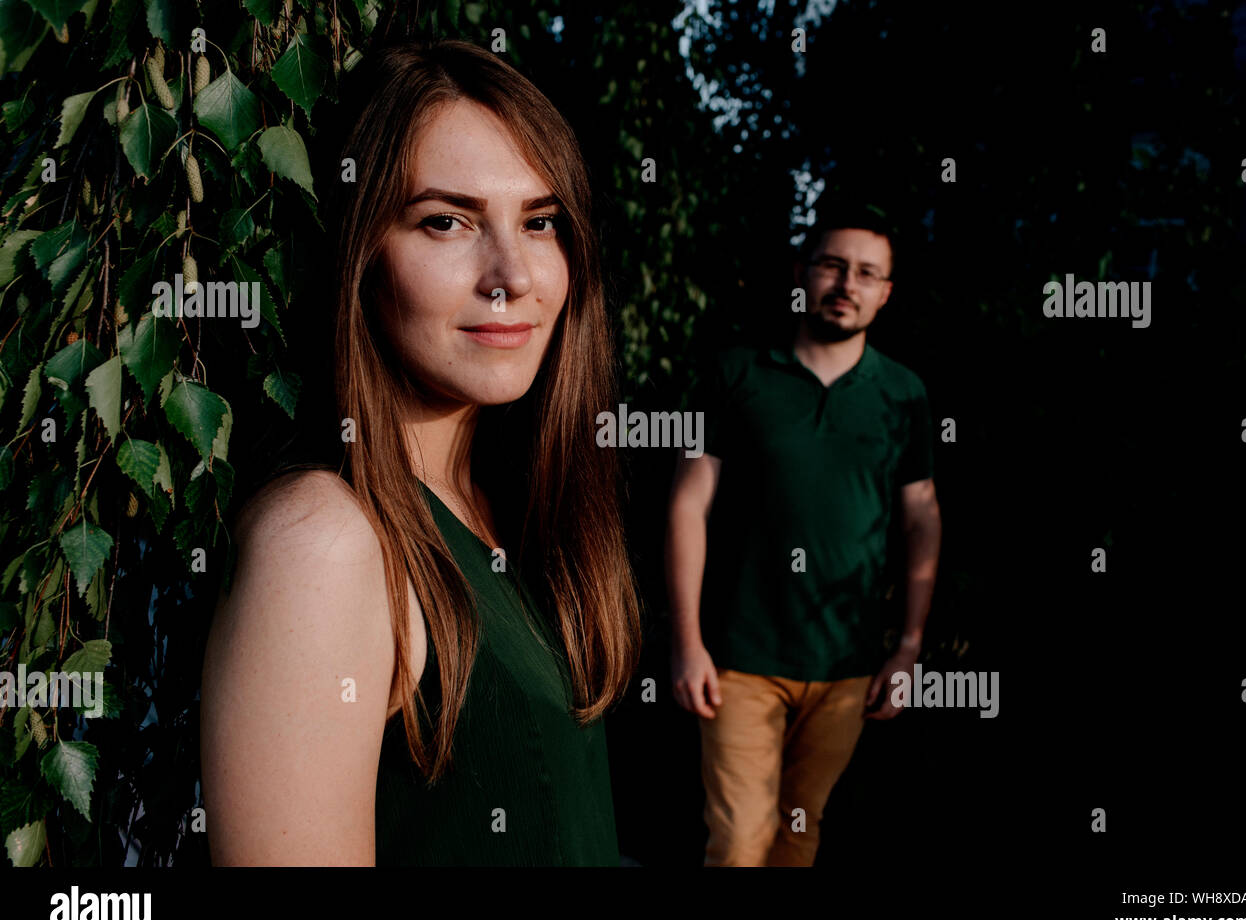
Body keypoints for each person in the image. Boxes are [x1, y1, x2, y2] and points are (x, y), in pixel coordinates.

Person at [200, 39, 640, 866]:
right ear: (361, 251)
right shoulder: (323, 542)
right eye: (446, 221)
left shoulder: (506, 508)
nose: (512, 274)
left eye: (540, 222)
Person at [665, 211, 942, 866]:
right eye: (832, 265)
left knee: (797, 837)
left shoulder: (904, 395)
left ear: (885, 293)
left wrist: (906, 648)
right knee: (738, 844)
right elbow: (687, 504)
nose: (847, 283)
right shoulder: (736, 374)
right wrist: (686, 643)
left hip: (846, 669)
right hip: (740, 657)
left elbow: (921, 519)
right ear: (802, 274)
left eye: (867, 273)